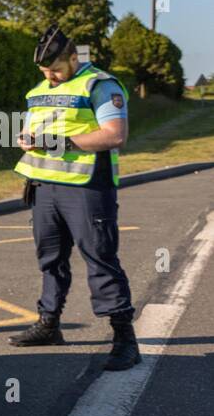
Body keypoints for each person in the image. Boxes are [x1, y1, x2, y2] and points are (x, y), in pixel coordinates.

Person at [9, 24, 139, 370]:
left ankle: (124, 337)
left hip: (87, 188)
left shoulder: (100, 85)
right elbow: (35, 131)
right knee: (50, 259)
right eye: (44, 71)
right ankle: (49, 324)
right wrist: (26, 138)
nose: (49, 76)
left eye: (55, 69)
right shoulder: (38, 89)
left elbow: (115, 135)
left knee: (100, 258)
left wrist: (54, 142)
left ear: (73, 57)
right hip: (43, 187)